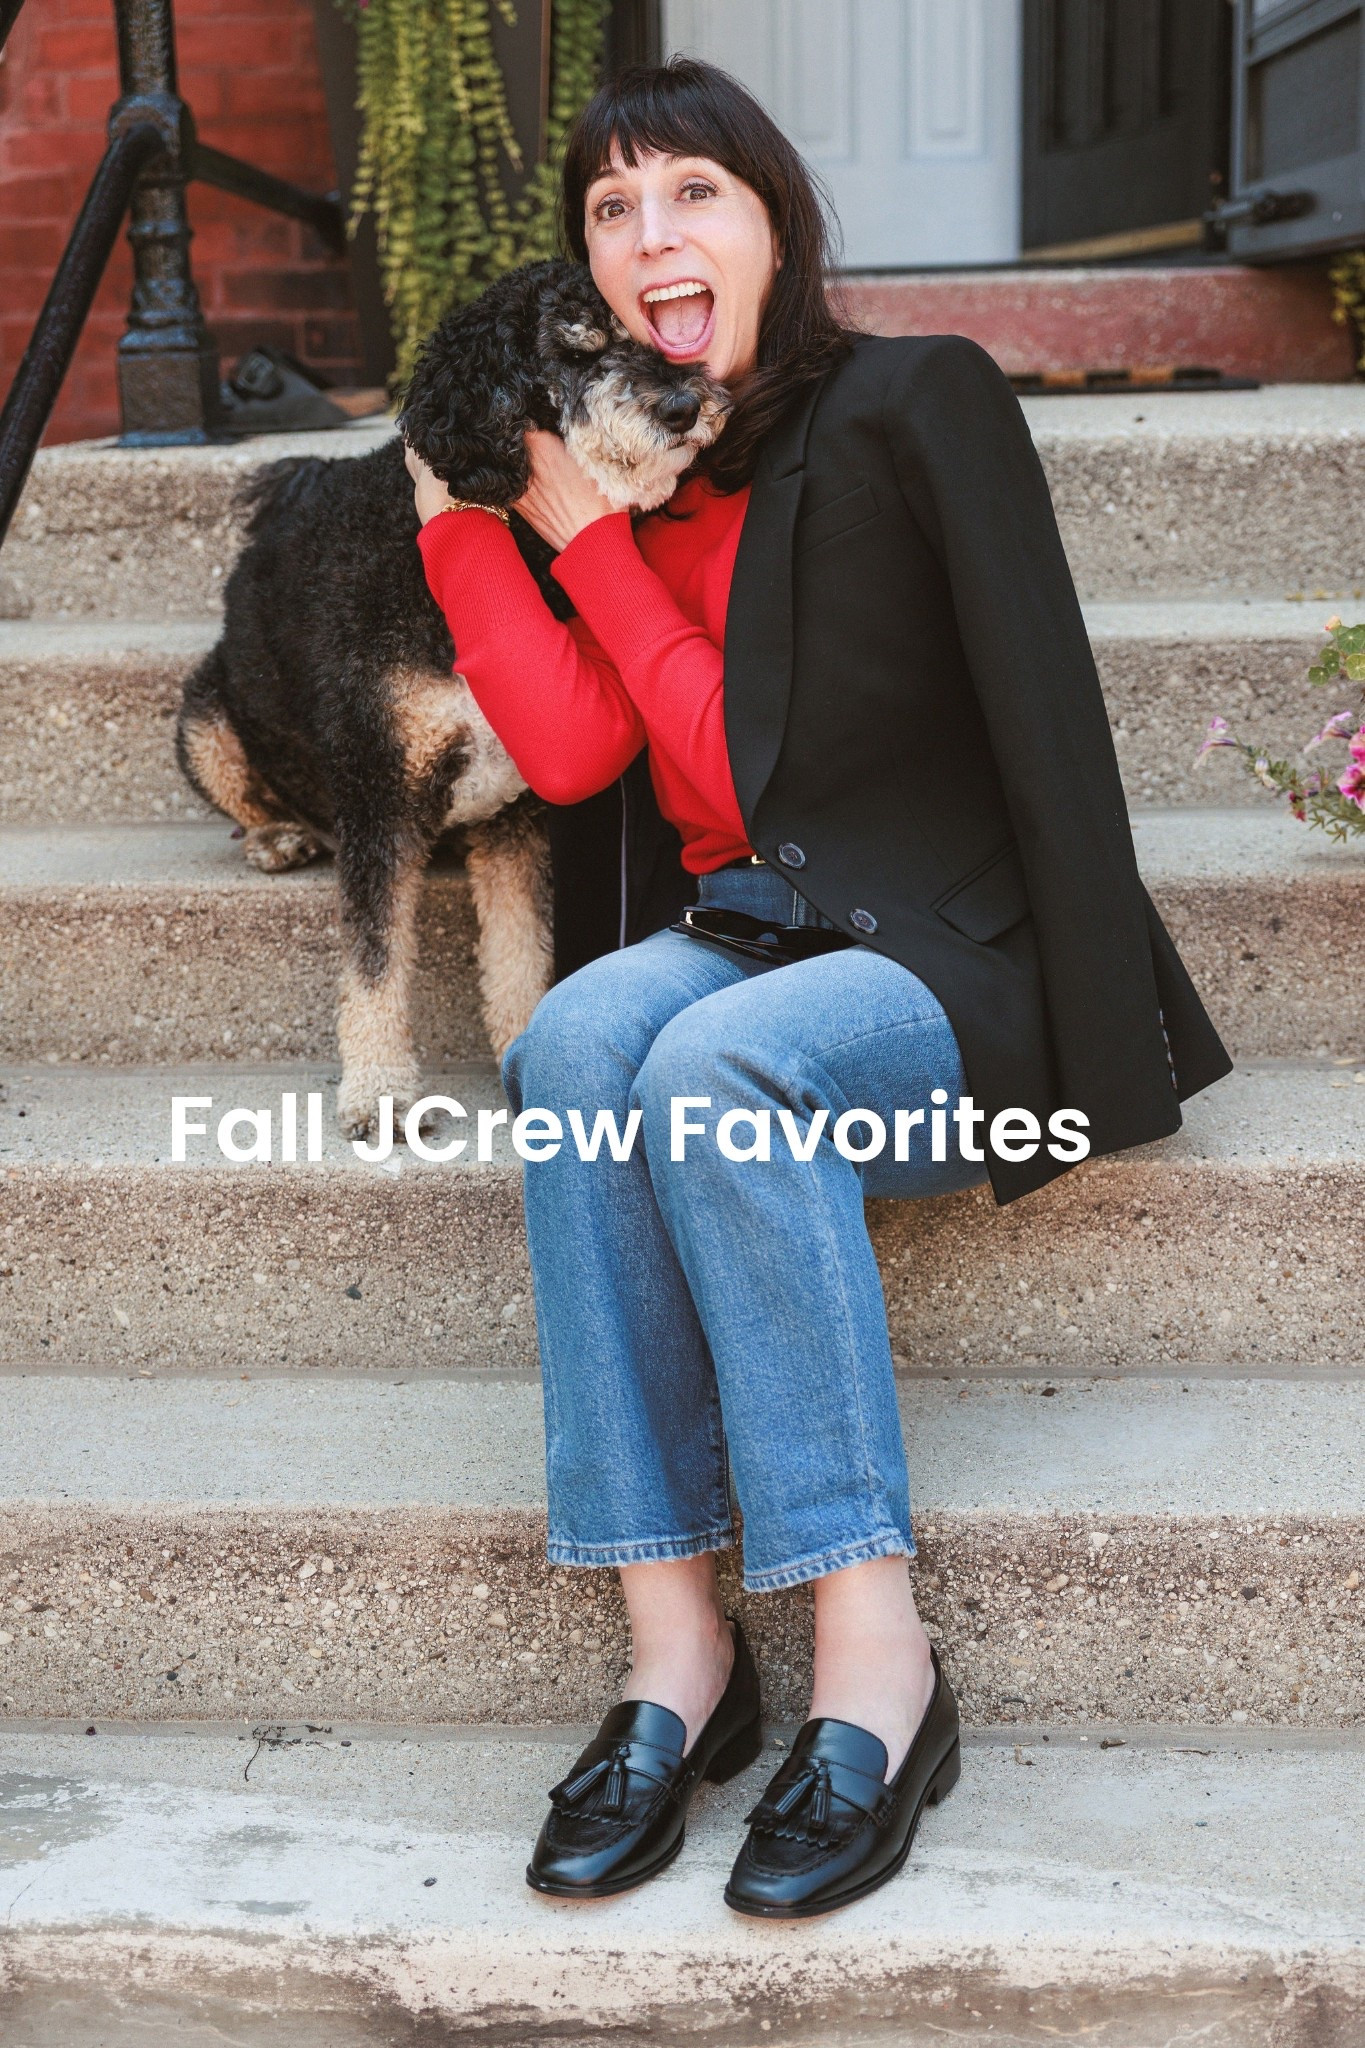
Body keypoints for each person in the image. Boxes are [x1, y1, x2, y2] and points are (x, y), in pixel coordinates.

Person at [406, 57, 1233, 1918]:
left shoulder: (911, 403)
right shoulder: (637, 470)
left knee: (706, 1070)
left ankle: (877, 1661)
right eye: (611, 212)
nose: (650, 238)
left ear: (777, 221)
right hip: (747, 942)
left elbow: (890, 746)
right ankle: (675, 1658)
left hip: (940, 952)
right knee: (575, 1039)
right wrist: (467, 518)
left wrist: (599, 555)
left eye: (691, 192)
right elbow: (563, 753)